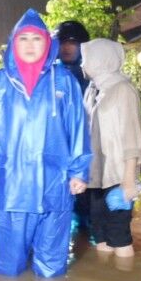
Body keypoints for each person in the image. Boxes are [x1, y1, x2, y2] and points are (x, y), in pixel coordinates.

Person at [0, 9, 91, 277]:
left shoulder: (63, 81)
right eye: (23, 39)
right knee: (7, 269)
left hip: (56, 187)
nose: (30, 45)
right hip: (13, 189)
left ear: (47, 43)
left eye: (36, 39)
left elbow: (78, 130)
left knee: (52, 270)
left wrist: (79, 171)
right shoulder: (1, 83)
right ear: (14, 43)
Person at [80, 38, 141, 258]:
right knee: (99, 233)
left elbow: (132, 136)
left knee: (119, 234)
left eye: (87, 58)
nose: (82, 63)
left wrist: (129, 179)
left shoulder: (123, 90)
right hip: (96, 175)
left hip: (118, 175)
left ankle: (126, 280)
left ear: (101, 60)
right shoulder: (92, 90)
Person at [53, 20, 92, 234]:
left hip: (86, 154)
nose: (67, 47)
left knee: (88, 213)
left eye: (73, 43)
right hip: (58, 154)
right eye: (63, 42)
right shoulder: (49, 76)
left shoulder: (93, 76)